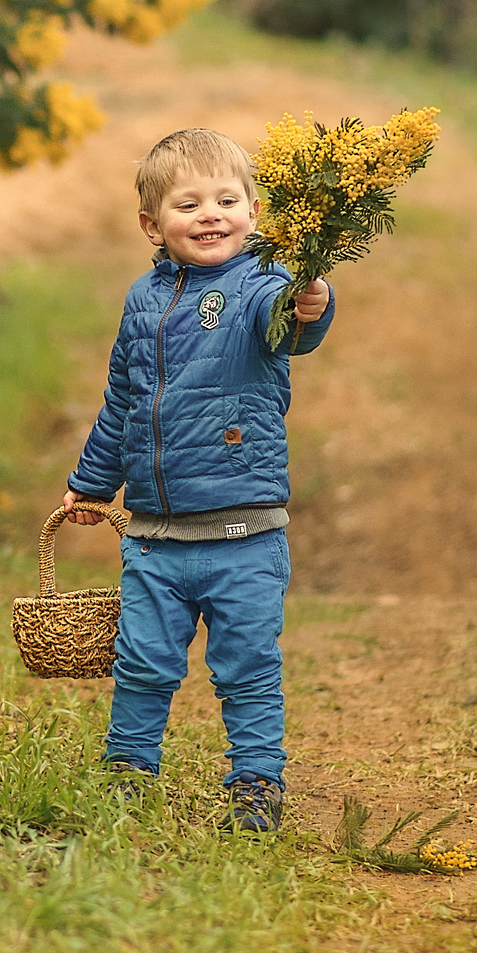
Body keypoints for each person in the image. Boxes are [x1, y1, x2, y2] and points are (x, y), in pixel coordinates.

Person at [59, 127, 334, 833]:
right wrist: (93, 484)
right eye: (189, 204)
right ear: (153, 223)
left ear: (253, 210)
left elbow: (292, 324)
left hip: (244, 530)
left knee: (245, 664)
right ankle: (127, 771)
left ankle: (255, 780)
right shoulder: (141, 302)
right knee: (144, 661)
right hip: (157, 535)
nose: (211, 214)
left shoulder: (263, 284)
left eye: (227, 199)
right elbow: (122, 400)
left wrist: (313, 303)